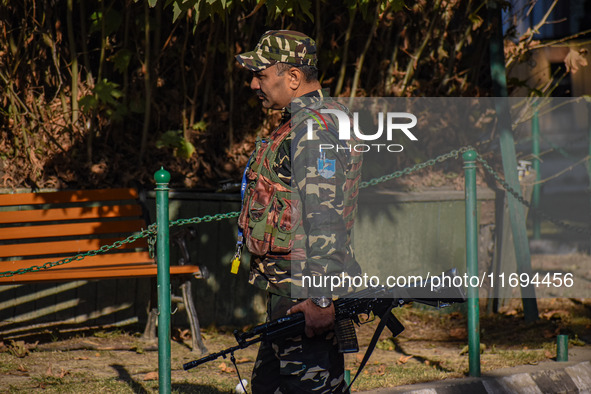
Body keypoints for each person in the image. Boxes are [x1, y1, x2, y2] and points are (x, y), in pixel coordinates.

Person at [235, 30, 362, 393]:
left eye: (261, 75)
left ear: (292, 78)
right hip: (291, 290)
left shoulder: (313, 130)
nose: (253, 84)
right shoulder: (315, 119)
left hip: (303, 293)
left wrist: (321, 299)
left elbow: (325, 215)